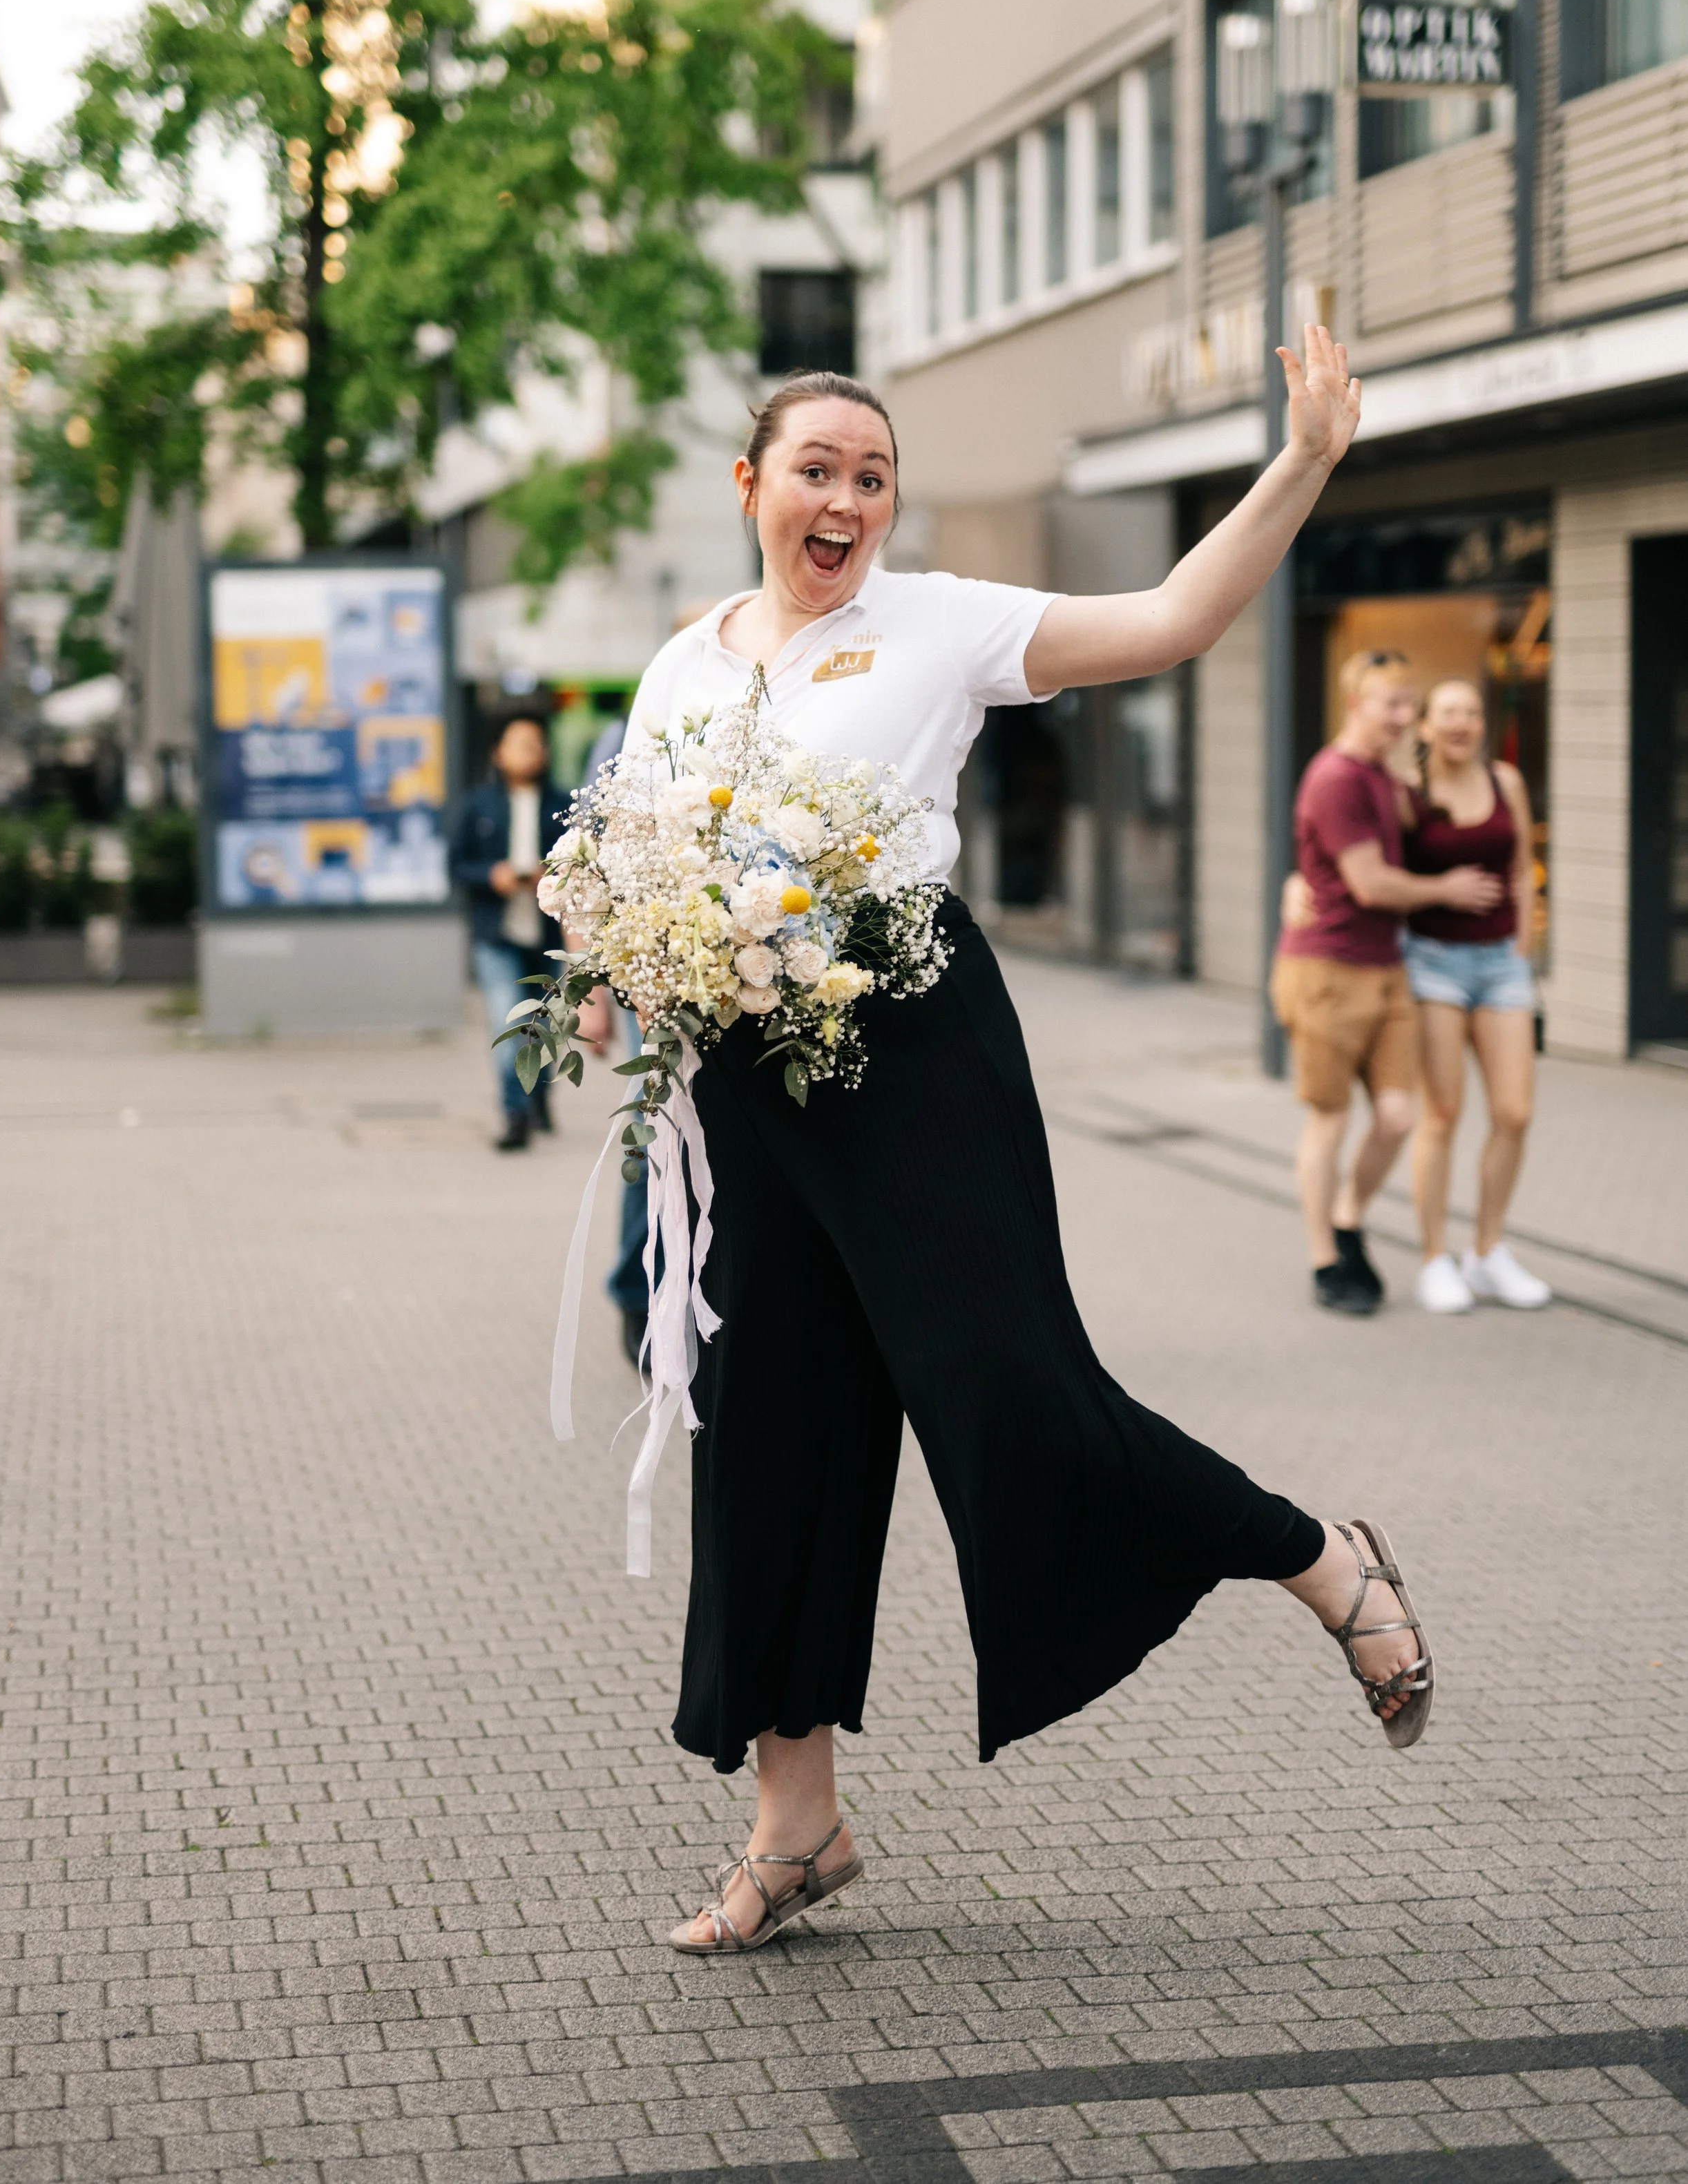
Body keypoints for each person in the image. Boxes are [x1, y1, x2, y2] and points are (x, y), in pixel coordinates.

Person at [575, 343, 1440, 1961]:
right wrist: (630, 963)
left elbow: (1178, 615)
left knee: (1002, 1387)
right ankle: (796, 1825)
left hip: (910, 1046)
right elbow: (643, 846)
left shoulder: (943, 619)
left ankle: (1319, 1554)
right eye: (815, 465)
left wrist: (1306, 458)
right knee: (767, 1431)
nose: (843, 495)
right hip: (750, 1080)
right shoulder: (681, 663)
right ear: (750, 484)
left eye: (870, 473)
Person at [1272, 653, 1501, 1319]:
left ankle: (1349, 1218)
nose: (1404, 717)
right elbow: (1371, 883)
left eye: (1409, 704)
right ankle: (1325, 1259)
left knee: (1399, 1118)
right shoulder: (1336, 776)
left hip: (1386, 969)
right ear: (1355, 703)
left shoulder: (1384, 777)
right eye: (1391, 705)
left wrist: (1299, 879)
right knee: (1331, 1120)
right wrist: (1447, 890)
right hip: (1328, 973)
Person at [1404, 679, 1551, 1312]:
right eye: (1448, 712)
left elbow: (1521, 867)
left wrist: (1523, 941)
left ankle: (1487, 1252)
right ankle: (1435, 1258)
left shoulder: (1506, 783)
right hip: (1432, 963)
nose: (1461, 722)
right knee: (1441, 1114)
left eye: (1470, 711)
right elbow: (1375, 868)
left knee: (1514, 1112)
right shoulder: (1408, 794)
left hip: (1501, 966)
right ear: (1427, 727)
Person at [449, 711, 568, 1151]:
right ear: (499, 753)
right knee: (510, 1025)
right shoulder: (479, 804)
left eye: (537, 744)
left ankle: (540, 1096)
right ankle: (515, 1114)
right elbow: (456, 864)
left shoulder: (562, 805)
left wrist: (551, 875)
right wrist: (491, 875)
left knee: (545, 1028)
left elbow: (585, 865)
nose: (530, 752)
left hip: (548, 938)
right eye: (520, 744)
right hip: (496, 934)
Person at [581, 693, 651, 1368]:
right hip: (648, 963)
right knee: (652, 1122)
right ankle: (637, 1291)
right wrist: (590, 990)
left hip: (748, 958)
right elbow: (581, 861)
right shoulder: (629, 732)